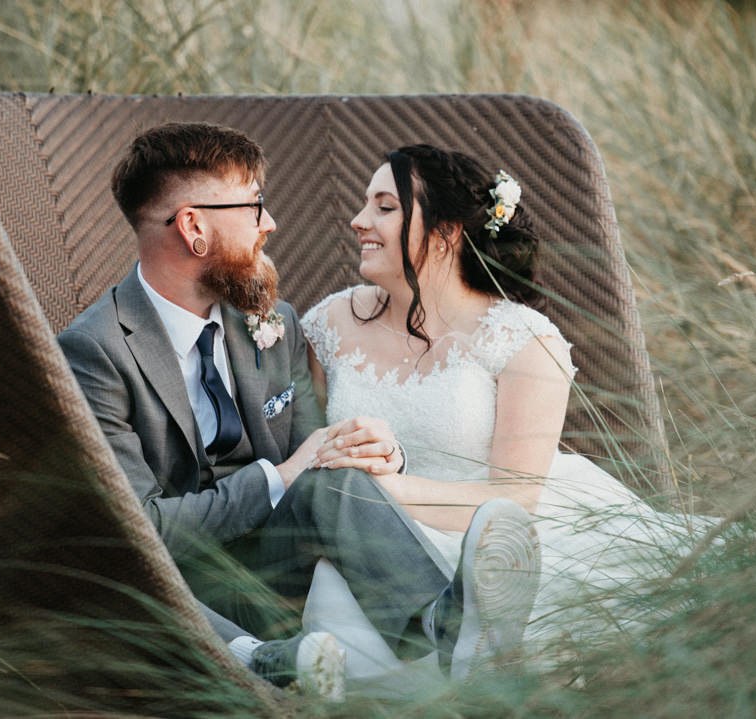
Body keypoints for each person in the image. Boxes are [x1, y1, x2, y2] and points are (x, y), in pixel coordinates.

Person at [57, 125, 537, 695]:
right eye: (254, 203)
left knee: (336, 483)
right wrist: (279, 476)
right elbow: (141, 531)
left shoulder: (271, 321)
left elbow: (319, 456)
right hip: (176, 598)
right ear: (194, 227)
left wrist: (378, 451)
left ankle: (448, 632)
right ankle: (260, 659)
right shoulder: (97, 350)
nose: (269, 223)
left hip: (277, 566)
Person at [300, 144, 718, 686]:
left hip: (496, 530)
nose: (359, 221)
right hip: (360, 539)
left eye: (385, 206)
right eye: (365, 205)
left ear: (446, 232)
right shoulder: (331, 323)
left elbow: (516, 495)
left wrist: (375, 491)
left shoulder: (523, 339)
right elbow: (305, 451)